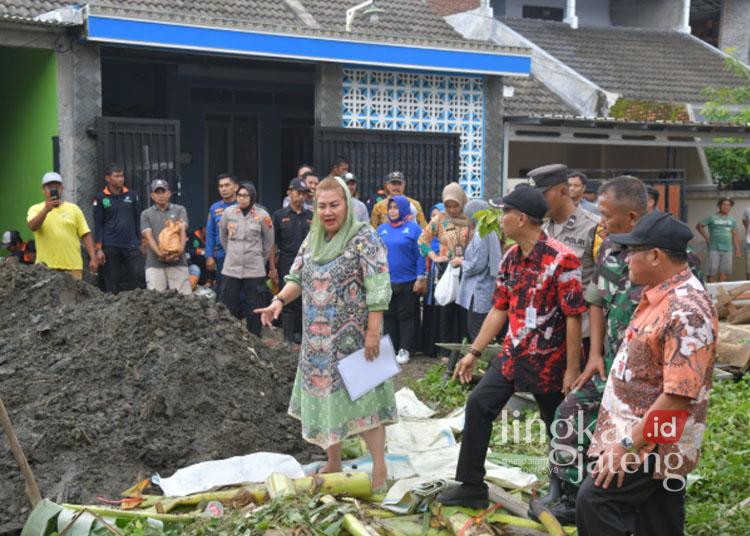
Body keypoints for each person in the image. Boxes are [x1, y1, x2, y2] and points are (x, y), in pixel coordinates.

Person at [436, 186, 585, 508]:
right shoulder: (510, 258)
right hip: (513, 355)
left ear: (520, 218)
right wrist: (473, 352)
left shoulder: (563, 258)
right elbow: (499, 307)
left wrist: (573, 369)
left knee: (557, 423)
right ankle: (471, 485)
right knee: (479, 404)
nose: (500, 219)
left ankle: (565, 493)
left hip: (550, 360)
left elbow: (574, 316)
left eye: (505, 213)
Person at [576, 211, 717, 536]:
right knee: (658, 521)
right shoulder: (660, 294)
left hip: (652, 443)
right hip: (643, 436)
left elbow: (678, 398)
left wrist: (627, 446)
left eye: (632, 252)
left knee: (595, 500)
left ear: (655, 255)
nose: (625, 260)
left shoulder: (686, 310)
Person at [255, 176, 397, 491]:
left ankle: (380, 469)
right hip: (318, 342)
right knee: (327, 403)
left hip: (357, 339)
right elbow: (297, 277)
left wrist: (373, 332)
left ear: (347, 203)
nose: (327, 212)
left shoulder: (364, 237)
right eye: (321, 206)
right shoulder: (313, 239)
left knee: (368, 406)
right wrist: (277, 301)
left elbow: (378, 285)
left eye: (334, 205)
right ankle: (333, 461)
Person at [418, 183, 474, 363]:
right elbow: (422, 240)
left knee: (464, 310)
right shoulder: (440, 220)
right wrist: (434, 257)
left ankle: (466, 351)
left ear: (462, 203)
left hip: (466, 269)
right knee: (445, 310)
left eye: (455, 205)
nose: (451, 209)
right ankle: (445, 353)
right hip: (446, 270)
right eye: (448, 205)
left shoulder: (470, 219)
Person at [219, 182, 274, 335]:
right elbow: (223, 236)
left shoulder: (263, 215)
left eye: (245, 196)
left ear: (252, 197)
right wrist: (231, 252)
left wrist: (259, 258)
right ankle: (229, 337)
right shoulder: (228, 213)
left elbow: (268, 242)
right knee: (228, 305)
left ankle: (255, 338)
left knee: (254, 307)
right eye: (239, 195)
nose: (241, 199)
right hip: (231, 268)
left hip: (254, 269)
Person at [377, 195, 426, 364]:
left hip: (408, 280)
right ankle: (390, 349)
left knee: (406, 316)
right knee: (389, 316)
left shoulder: (414, 229)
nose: (393, 210)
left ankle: (405, 349)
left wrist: (421, 277)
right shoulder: (381, 229)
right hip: (386, 281)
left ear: (404, 209)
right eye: (390, 207)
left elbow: (421, 254)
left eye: (396, 207)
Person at [27, 172, 98, 279]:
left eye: (56, 187)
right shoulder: (35, 209)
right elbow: (32, 226)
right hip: (46, 268)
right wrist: (46, 210)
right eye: (49, 187)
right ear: (43, 190)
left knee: (74, 295)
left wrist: (93, 257)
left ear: (62, 189)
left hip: (72, 266)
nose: (53, 189)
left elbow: (85, 234)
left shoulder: (74, 209)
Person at [454, 199, 502, 343]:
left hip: (479, 287)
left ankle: (481, 362)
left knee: (477, 330)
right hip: (487, 285)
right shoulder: (490, 230)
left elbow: (477, 264)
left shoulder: (480, 233)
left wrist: (461, 262)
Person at [92, 163, 145, 293]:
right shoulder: (100, 198)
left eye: (122, 176)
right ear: (108, 178)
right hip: (110, 246)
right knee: (111, 282)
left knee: (140, 274)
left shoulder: (132, 195)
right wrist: (98, 249)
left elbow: (138, 220)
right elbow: (98, 225)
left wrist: (142, 242)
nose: (121, 179)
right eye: (116, 176)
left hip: (131, 244)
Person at [272, 178, 313, 343]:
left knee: (305, 299)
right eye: (298, 193)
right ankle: (287, 338)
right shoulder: (279, 215)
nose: (301, 197)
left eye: (304, 193)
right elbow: (272, 244)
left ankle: (301, 335)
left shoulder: (311, 216)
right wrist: (272, 267)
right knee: (286, 298)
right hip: (286, 261)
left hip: (308, 261)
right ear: (289, 193)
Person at [140, 179, 191, 294]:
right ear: (152, 196)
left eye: (163, 192)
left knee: (183, 300)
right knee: (155, 302)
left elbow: (183, 229)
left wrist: (180, 250)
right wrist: (159, 253)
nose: (161, 195)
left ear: (169, 193)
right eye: (157, 192)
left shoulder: (180, 210)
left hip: (178, 262)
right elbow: (148, 236)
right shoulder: (146, 214)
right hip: (154, 264)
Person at [205, 173, 239, 295]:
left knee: (241, 292)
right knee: (223, 291)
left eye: (227, 185)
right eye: (220, 186)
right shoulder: (215, 208)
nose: (223, 189)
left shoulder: (243, 205)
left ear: (235, 187)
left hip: (240, 255)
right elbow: (210, 233)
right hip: (221, 256)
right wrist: (209, 256)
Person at [420, 203, 445, 356]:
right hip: (430, 276)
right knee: (429, 310)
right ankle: (429, 347)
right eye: (433, 215)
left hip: (445, 277)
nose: (436, 218)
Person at [696, 197, 741, 282]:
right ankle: (711, 293)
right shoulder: (712, 217)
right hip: (714, 248)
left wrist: (737, 249)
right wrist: (706, 237)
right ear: (719, 205)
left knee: (724, 271)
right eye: (723, 204)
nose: (726, 206)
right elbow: (699, 226)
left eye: (728, 205)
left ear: (730, 207)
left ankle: (720, 292)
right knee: (712, 271)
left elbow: (735, 234)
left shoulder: (732, 220)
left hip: (728, 249)